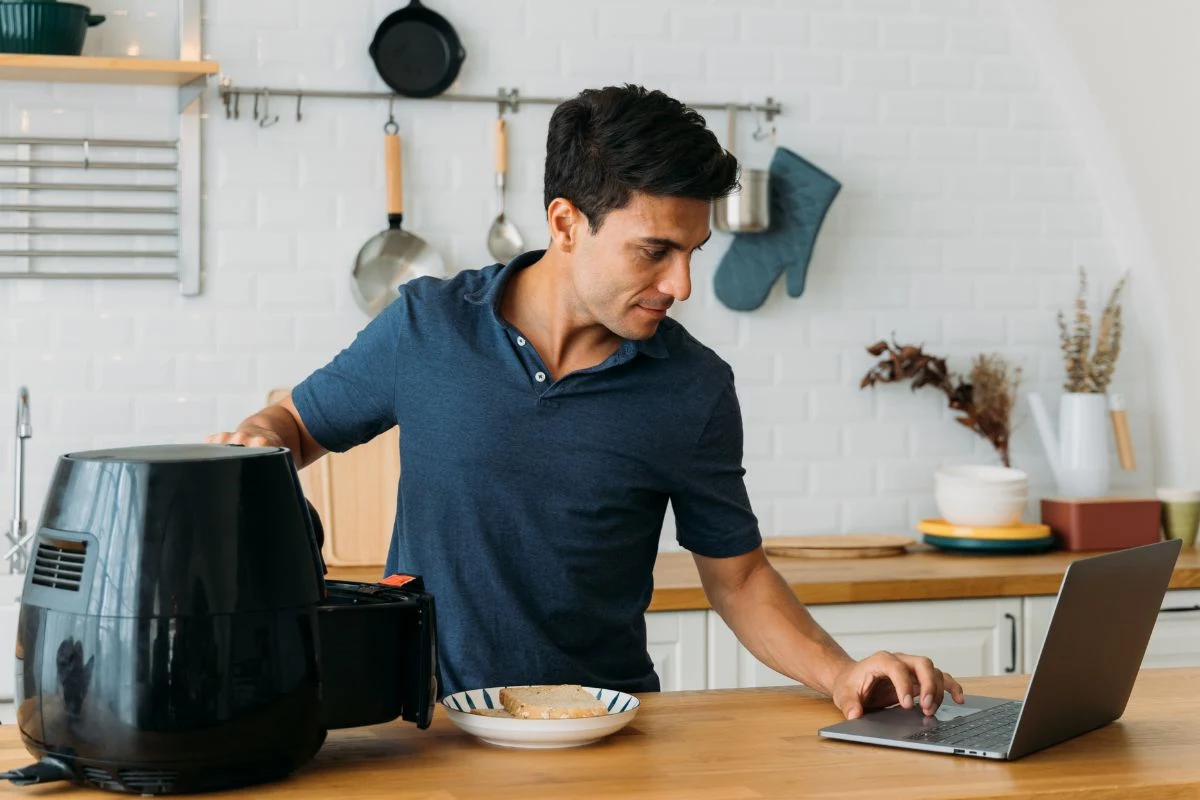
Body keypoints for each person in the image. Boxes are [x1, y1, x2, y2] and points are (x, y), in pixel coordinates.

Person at [208, 84, 965, 721]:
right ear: (567, 223)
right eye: (654, 251)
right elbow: (298, 425)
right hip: (427, 725)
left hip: (599, 731)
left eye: (692, 252)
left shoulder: (693, 388)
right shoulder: (426, 326)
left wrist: (839, 673)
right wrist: (256, 441)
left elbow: (737, 577)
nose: (682, 287)